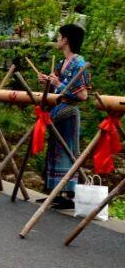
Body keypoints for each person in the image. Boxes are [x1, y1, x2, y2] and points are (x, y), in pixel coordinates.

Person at [37, 24, 91, 209]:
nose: (57, 39)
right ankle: (56, 192)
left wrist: (58, 83)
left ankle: (69, 194)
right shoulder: (62, 63)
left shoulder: (79, 64)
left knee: (67, 152)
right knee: (54, 150)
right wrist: (48, 82)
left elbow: (83, 95)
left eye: (59, 36)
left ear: (66, 40)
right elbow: (56, 90)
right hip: (58, 111)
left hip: (69, 113)